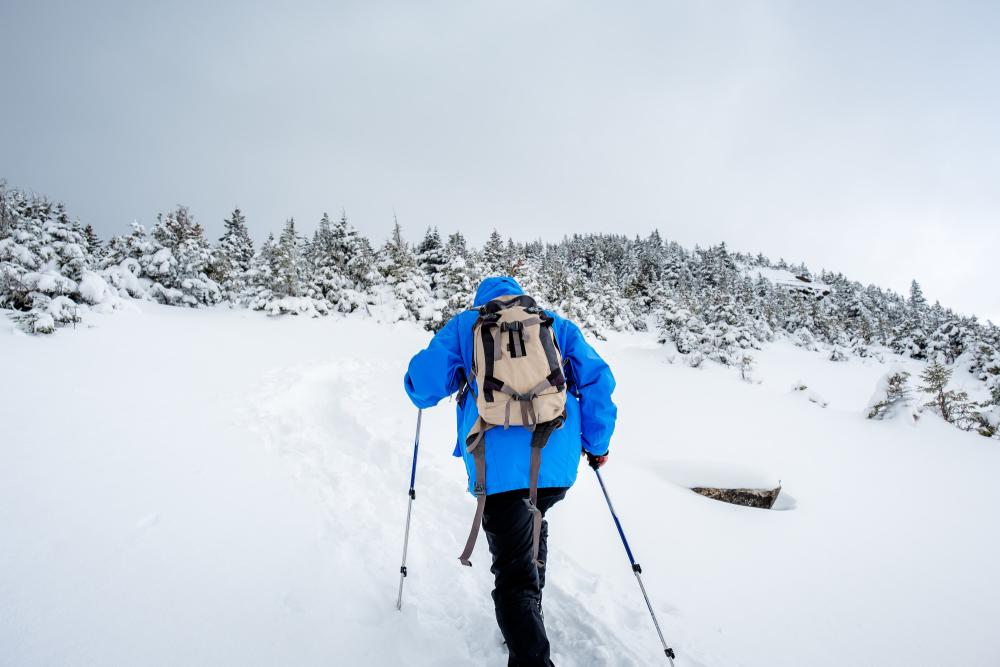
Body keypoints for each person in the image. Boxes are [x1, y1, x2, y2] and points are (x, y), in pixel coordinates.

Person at [403, 276, 617, 666]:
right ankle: (528, 617)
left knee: (513, 574)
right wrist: (598, 444)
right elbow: (597, 379)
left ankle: (529, 649)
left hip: (496, 469)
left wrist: (415, 383)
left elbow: (422, 384)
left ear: (480, 300)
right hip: (555, 465)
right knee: (533, 522)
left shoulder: (466, 327)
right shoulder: (554, 324)